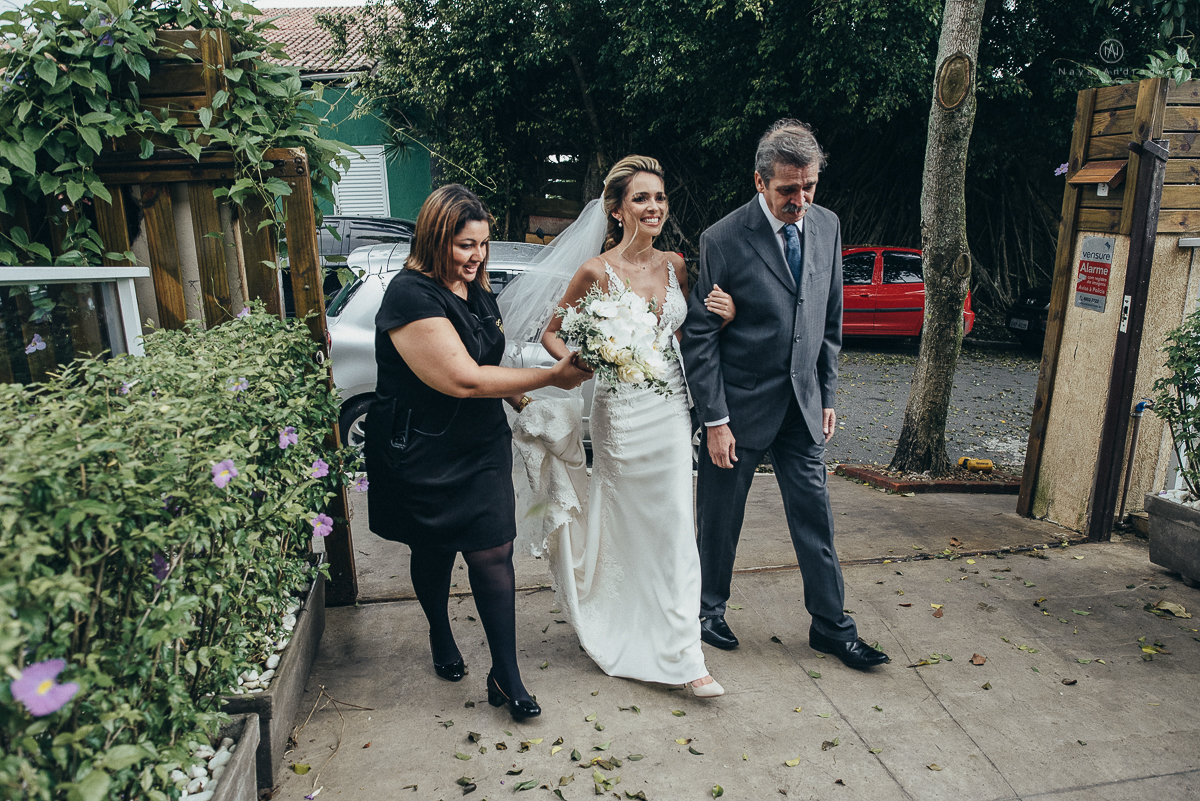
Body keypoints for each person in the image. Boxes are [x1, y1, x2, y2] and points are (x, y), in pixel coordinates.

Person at [500, 155, 736, 697]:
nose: (653, 207)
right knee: (631, 524)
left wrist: (723, 316)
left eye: (658, 197)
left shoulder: (676, 265)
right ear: (616, 209)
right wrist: (592, 358)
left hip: (671, 409)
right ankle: (621, 616)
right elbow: (553, 334)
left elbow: (687, 336)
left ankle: (685, 654)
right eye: (640, 199)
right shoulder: (596, 272)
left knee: (676, 524)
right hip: (621, 414)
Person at [364, 184, 593, 721]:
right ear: (436, 238)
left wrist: (520, 394)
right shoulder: (409, 295)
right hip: (422, 447)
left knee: (493, 552)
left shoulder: (476, 288)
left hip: (480, 444)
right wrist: (555, 376)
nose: (477, 256)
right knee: (434, 548)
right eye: (466, 245)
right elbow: (461, 379)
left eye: (483, 244)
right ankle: (440, 633)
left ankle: (505, 673)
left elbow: (487, 359)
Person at [680, 120, 890, 670]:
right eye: (788, 190)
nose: (801, 201)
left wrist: (827, 392)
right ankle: (707, 610)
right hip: (741, 405)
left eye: (809, 187)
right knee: (721, 517)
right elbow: (701, 337)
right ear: (759, 182)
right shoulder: (722, 239)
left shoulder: (828, 227)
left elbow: (830, 318)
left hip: (802, 405)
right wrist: (716, 419)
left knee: (815, 514)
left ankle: (831, 626)